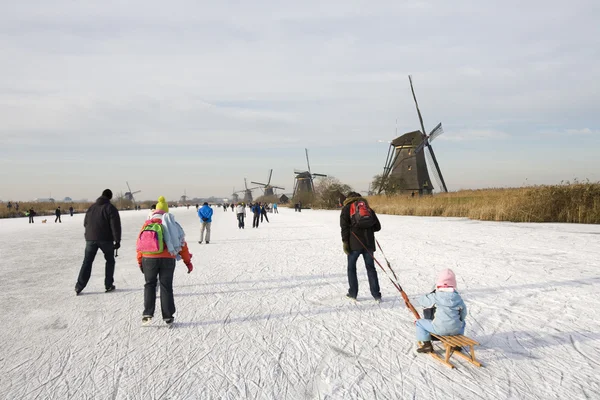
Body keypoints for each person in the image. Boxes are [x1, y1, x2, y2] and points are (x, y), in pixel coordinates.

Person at [137, 196, 193, 326]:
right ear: (166, 211)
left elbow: (140, 244)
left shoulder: (147, 223)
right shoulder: (172, 224)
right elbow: (182, 244)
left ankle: (147, 313)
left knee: (149, 284)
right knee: (166, 286)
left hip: (149, 258)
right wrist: (187, 261)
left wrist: (140, 261)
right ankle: (168, 316)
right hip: (168, 259)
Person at [75, 189, 121, 295]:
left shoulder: (91, 207)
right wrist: (117, 240)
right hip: (106, 239)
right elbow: (115, 225)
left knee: (87, 262)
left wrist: (89, 235)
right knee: (110, 261)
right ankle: (108, 285)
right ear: (110, 197)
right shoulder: (110, 208)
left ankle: (79, 286)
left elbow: (85, 222)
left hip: (90, 239)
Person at [340, 191, 382, 302]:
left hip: (354, 244)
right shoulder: (368, 208)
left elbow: (344, 228)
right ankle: (376, 295)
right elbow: (377, 227)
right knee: (371, 268)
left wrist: (345, 242)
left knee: (352, 268)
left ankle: (353, 293)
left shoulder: (346, 209)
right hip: (368, 244)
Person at [415, 269, 467, 353]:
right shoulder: (458, 298)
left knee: (419, 323)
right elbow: (463, 313)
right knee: (463, 322)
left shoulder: (436, 296)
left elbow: (421, 301)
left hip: (439, 329)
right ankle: (457, 345)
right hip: (456, 330)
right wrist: (459, 320)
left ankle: (427, 345)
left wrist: (429, 295)